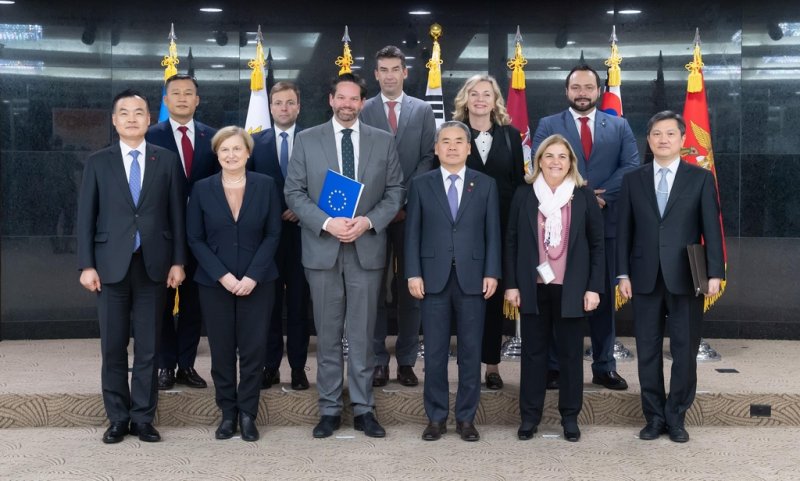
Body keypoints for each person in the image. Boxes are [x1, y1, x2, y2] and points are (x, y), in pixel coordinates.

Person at [284, 73, 404, 439]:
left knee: (365, 334)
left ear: (363, 103)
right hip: (323, 248)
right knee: (329, 333)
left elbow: (396, 190)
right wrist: (326, 223)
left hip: (366, 248)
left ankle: (365, 408)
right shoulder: (306, 140)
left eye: (356, 99)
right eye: (343, 98)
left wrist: (368, 221)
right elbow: (294, 192)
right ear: (331, 100)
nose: (349, 105)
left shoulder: (383, 142)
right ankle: (330, 409)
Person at [77, 89, 186, 444]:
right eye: (124, 113)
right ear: (114, 120)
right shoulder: (98, 161)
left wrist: (178, 261)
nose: (132, 118)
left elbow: (177, 216)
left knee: (149, 347)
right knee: (112, 346)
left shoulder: (166, 160)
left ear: (150, 118)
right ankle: (117, 418)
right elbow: (85, 218)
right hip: (109, 267)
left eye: (139, 112)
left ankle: (142, 418)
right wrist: (86, 265)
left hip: (154, 266)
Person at [617, 111, 724, 443]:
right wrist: (622, 273)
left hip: (686, 277)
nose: (663, 139)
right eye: (656, 134)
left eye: (670, 134)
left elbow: (712, 230)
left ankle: (676, 415)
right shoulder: (633, 179)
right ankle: (654, 416)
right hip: (644, 277)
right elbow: (624, 232)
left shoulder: (701, 179)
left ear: (681, 140)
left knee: (684, 349)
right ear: (648, 140)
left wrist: (715, 273)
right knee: (647, 350)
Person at [532, 65, 639, 391]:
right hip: (557, 228)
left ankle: (604, 366)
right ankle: (554, 367)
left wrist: (595, 199)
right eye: (576, 87)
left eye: (588, 87)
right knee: (556, 296)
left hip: (605, 226)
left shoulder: (619, 126)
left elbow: (631, 166)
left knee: (601, 299)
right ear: (567, 91)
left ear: (599, 90)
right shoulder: (549, 124)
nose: (582, 93)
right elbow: (538, 163)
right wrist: (579, 199)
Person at [504, 134, 605, 443]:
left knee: (570, 355)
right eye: (549, 156)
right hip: (532, 287)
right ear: (539, 161)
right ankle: (529, 417)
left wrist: (594, 288)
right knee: (533, 355)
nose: (555, 162)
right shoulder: (524, 194)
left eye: (562, 156)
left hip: (573, 289)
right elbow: (511, 241)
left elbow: (598, 245)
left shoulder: (583, 196)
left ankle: (570, 418)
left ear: (571, 162)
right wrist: (511, 285)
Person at [405, 121, 501, 442]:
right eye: (445, 141)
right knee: (433, 352)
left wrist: (492, 271)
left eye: (459, 141)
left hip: (474, 279)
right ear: (436, 148)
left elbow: (493, 234)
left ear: (469, 148)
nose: (452, 147)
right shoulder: (421, 184)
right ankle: (435, 418)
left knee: (471, 352)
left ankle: (466, 418)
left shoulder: (485, 184)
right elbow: (412, 234)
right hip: (432, 279)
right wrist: (413, 272)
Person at [186, 126, 282, 442]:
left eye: (237, 149)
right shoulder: (201, 188)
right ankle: (227, 413)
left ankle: (248, 414)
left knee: (254, 351)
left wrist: (252, 275)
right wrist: (223, 276)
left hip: (259, 281)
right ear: (217, 154)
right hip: (215, 284)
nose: (231, 155)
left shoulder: (266, 186)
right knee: (222, 351)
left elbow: (273, 234)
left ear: (248, 153)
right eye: (224, 150)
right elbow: (195, 239)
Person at [360, 45, 436, 388]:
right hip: (372, 217)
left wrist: (402, 201)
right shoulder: (363, 109)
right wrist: (384, 207)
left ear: (405, 73)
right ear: (375, 74)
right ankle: (378, 360)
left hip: (412, 214)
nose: (389, 75)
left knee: (412, 289)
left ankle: (406, 360)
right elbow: (358, 163)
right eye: (383, 69)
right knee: (373, 290)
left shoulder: (423, 111)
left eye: (395, 69)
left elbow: (426, 159)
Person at [452, 74, 525, 390]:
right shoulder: (452, 134)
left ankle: (492, 366)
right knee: (463, 298)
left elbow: (519, 187)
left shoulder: (511, 136)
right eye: (474, 94)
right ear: (465, 99)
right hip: (461, 231)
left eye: (487, 94)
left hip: (501, 229)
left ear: (496, 100)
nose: (480, 99)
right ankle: (465, 366)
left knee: (493, 298)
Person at [146, 73, 219, 391]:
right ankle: (165, 364)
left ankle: (187, 364)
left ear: (197, 100)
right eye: (175, 93)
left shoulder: (213, 138)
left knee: (193, 301)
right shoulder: (149, 136)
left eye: (188, 93)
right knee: (161, 300)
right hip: (162, 233)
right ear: (165, 100)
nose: (182, 98)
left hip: (201, 234)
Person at [249, 81, 311, 391]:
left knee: (300, 305)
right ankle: (270, 366)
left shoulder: (315, 140)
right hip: (267, 239)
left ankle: (298, 368)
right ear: (270, 107)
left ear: (299, 106)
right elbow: (247, 188)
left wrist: (305, 210)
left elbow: (328, 184)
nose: (284, 108)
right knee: (269, 306)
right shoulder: (254, 143)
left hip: (305, 235)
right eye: (278, 103)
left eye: (290, 103)